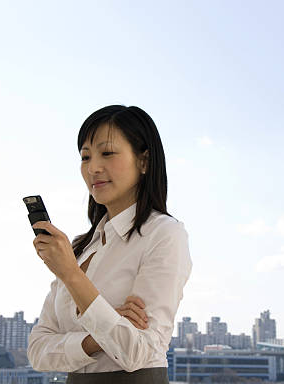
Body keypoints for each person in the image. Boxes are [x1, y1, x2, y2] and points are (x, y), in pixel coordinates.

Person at [27, 105, 192, 384]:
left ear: (144, 161)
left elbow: (136, 352)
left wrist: (71, 274)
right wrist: (96, 339)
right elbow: (38, 352)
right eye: (85, 157)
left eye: (108, 153)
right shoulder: (81, 247)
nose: (93, 168)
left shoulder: (164, 234)